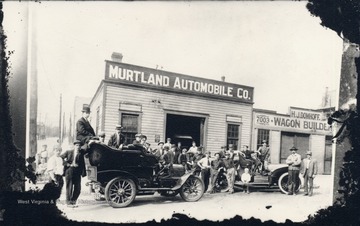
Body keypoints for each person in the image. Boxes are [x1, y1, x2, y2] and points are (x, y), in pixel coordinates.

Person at [61, 140, 86, 207]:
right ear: (74, 146)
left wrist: (83, 172)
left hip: (77, 172)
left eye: (79, 146)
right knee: (69, 186)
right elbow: (61, 158)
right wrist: (68, 164)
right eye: (77, 145)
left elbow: (83, 162)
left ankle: (73, 201)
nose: (78, 147)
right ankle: (68, 202)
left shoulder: (82, 153)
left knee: (78, 188)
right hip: (69, 171)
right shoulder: (68, 152)